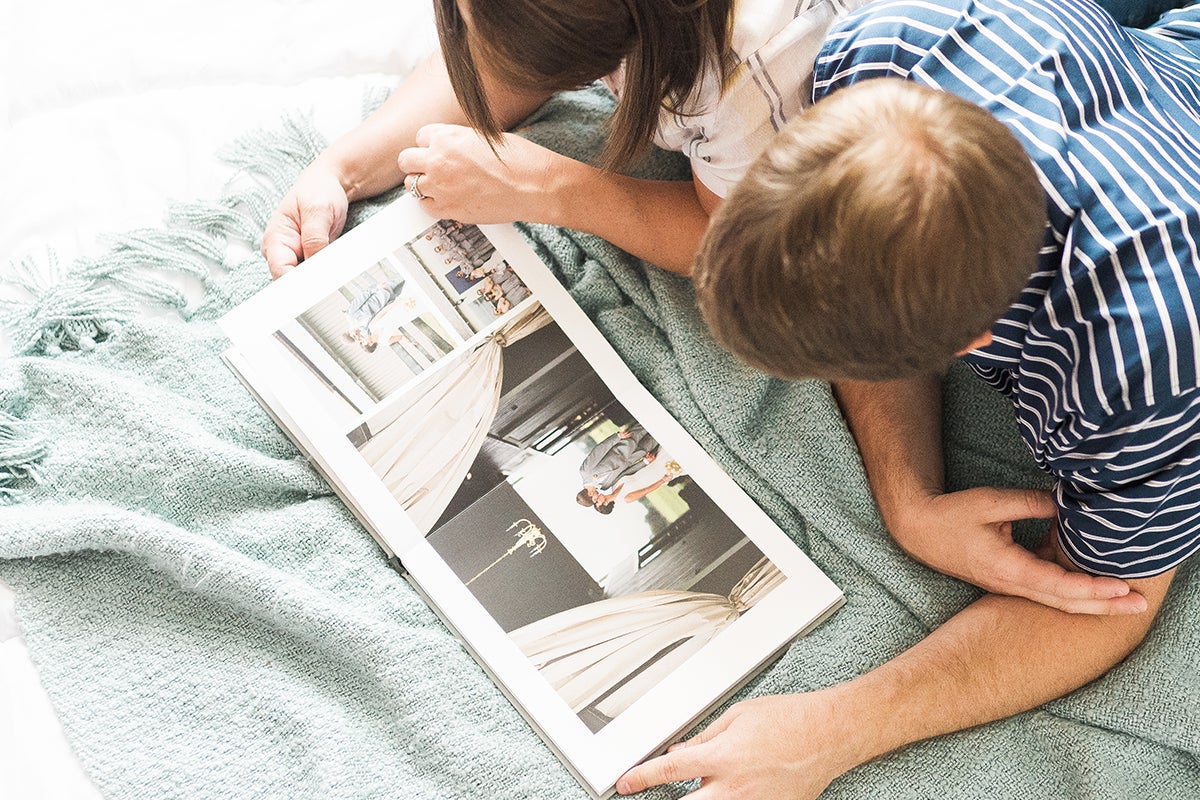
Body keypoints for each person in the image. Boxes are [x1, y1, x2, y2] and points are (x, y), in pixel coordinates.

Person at [618, 0, 1199, 797]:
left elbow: (1104, 602)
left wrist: (831, 730)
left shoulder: (1141, 370)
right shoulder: (890, 42)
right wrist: (908, 497)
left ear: (964, 346)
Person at [262, 0, 882, 279]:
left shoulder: (744, 68)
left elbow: (746, 242)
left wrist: (551, 188)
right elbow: (496, 61)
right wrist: (340, 168)